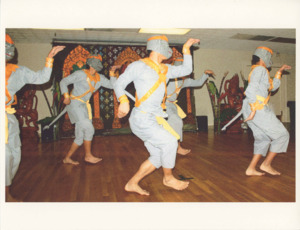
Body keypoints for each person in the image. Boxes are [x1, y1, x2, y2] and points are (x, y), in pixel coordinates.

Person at [114, 35, 200, 195]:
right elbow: (119, 82)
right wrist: (123, 100)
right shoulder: (138, 66)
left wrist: (187, 49)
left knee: (159, 156)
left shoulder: (165, 69)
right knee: (170, 142)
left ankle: (132, 183)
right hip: (141, 118)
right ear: (158, 49)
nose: (168, 53)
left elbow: (187, 70)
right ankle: (168, 178)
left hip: (153, 118)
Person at [5, 34, 65, 201]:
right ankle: (6, 196)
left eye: (8, 46)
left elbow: (42, 78)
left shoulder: (18, 71)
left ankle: (6, 190)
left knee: (14, 155)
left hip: (8, 118)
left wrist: (49, 59)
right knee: (5, 156)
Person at [60, 54, 119, 165]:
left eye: (98, 65)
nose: (95, 67)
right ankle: (88, 155)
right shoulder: (80, 74)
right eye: (94, 64)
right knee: (89, 128)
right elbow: (63, 82)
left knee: (80, 136)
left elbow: (113, 85)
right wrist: (66, 96)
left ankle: (67, 158)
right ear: (90, 64)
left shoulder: (99, 78)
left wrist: (112, 73)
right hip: (74, 104)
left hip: (84, 106)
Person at [243, 46, 291, 176]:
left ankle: (251, 168)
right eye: (269, 57)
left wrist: (279, 72)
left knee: (263, 139)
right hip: (256, 107)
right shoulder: (260, 69)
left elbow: (272, 86)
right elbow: (250, 90)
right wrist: (254, 109)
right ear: (263, 58)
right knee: (282, 135)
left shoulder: (257, 70)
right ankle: (266, 164)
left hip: (250, 106)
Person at [166, 57, 215, 155]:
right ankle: (172, 148)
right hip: (160, 104)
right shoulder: (168, 76)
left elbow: (199, 83)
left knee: (176, 122)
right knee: (174, 122)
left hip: (171, 105)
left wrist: (205, 74)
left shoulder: (185, 81)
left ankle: (177, 147)